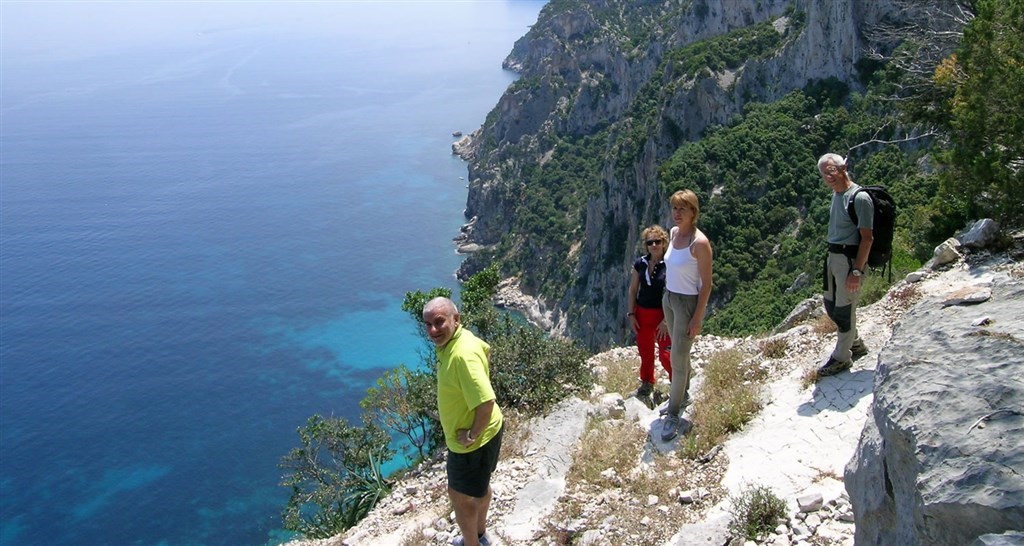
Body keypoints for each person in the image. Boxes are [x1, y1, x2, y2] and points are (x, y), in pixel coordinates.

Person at [422, 297, 503, 546]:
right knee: (478, 488)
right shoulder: (462, 340)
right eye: (428, 324)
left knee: (460, 497)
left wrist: (472, 434)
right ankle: (479, 536)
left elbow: (486, 401)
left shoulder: (461, 355)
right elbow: (485, 351)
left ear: (456, 320)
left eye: (439, 322)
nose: (433, 330)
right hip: (487, 434)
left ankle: (472, 544)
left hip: (472, 444)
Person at [660, 190, 713, 442]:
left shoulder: (699, 243)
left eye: (683, 208)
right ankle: (684, 395)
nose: (677, 213)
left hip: (687, 304)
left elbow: (706, 284)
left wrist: (697, 318)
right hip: (669, 298)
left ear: (694, 211)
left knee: (678, 359)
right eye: (674, 208)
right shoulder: (672, 234)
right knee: (679, 352)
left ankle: (673, 413)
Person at [817, 153, 871, 377]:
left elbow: (867, 238)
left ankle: (841, 358)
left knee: (844, 309)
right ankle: (856, 343)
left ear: (844, 167)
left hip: (850, 262)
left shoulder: (859, 198)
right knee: (831, 306)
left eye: (831, 171)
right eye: (823, 174)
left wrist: (856, 272)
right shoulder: (837, 194)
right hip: (833, 258)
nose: (828, 177)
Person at [627, 224, 672, 407]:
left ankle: (678, 387)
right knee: (645, 352)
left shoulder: (669, 264)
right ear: (646, 245)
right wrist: (631, 314)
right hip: (642, 313)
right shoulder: (640, 263)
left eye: (658, 241)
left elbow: (674, 293)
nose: (654, 245)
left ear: (664, 243)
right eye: (650, 242)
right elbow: (632, 290)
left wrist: (667, 321)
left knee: (665, 354)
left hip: (662, 315)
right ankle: (647, 384)